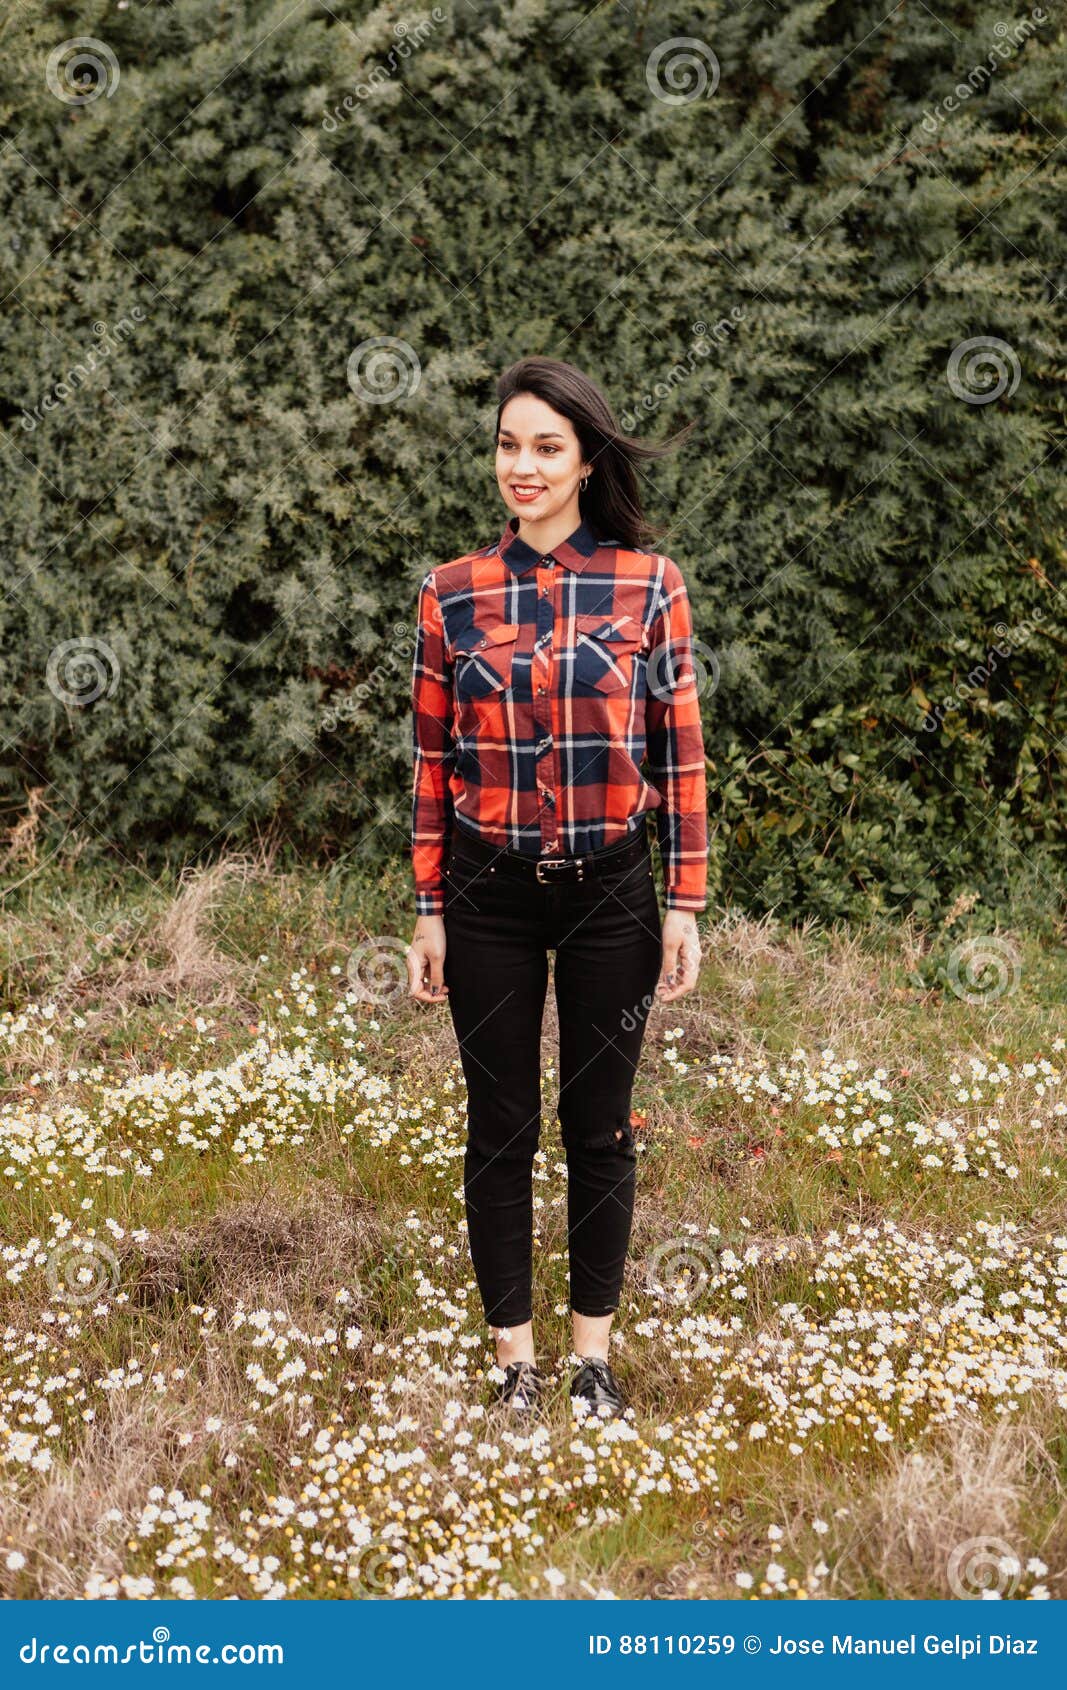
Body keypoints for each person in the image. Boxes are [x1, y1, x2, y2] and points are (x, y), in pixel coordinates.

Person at [406, 355, 709, 1421]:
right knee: (498, 1125)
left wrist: (683, 901)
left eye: (545, 446)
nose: (521, 466)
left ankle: (590, 1359)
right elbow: (430, 762)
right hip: (487, 891)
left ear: (586, 458)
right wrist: (428, 906)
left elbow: (680, 748)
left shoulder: (646, 582)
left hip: (610, 893)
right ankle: (512, 1366)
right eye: (506, 443)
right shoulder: (451, 593)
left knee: (598, 1123)